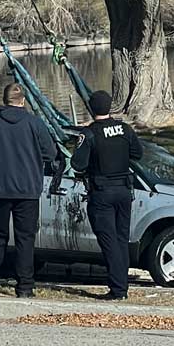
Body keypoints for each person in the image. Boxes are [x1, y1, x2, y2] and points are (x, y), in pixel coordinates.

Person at [0, 83, 56, 298]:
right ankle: (25, 286)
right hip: (27, 191)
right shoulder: (35, 123)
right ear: (23, 101)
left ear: (4, 100)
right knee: (25, 238)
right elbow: (51, 152)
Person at [71, 90, 142, 300]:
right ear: (110, 107)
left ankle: (118, 289)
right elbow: (137, 154)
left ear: (91, 109)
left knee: (108, 240)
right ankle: (122, 286)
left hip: (102, 193)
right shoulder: (125, 129)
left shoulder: (89, 133)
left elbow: (78, 164)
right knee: (121, 239)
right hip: (124, 191)